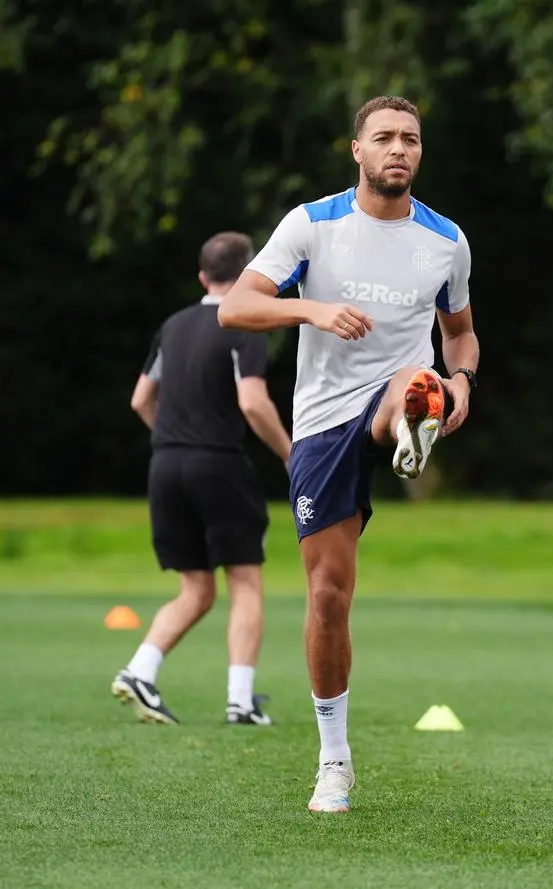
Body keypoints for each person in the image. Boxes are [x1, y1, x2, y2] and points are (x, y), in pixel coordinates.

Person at [217, 95, 479, 814]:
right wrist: (311, 308)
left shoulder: (446, 240)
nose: (400, 149)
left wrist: (461, 381)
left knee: (415, 377)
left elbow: (459, 332)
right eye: (386, 138)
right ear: (357, 150)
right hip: (323, 420)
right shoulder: (313, 223)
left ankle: (410, 421)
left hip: (398, 385)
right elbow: (237, 306)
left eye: (412, 140)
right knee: (329, 596)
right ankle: (334, 760)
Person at [112, 231, 291, 727]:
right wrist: (290, 454)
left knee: (196, 589)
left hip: (165, 465)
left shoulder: (173, 325)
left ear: (202, 276)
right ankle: (239, 702)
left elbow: (140, 400)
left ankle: (139, 672)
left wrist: (173, 441)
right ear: (252, 271)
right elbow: (253, 402)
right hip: (218, 465)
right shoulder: (245, 325)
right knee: (246, 583)